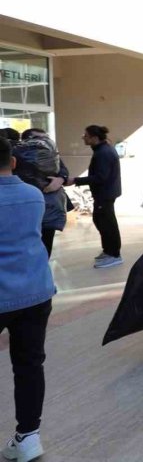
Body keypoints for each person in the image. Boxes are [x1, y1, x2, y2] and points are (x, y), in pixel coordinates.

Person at [0, 136, 55, 462]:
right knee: (30, 365)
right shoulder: (33, 195)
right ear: (14, 162)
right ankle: (28, 437)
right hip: (35, 292)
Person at [72, 125, 122, 269]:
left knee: (106, 223)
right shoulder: (102, 150)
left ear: (94, 138)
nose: (83, 137)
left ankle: (114, 254)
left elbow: (101, 177)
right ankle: (109, 250)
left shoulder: (103, 153)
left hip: (105, 193)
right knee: (101, 220)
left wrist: (76, 180)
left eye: (86, 135)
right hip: (105, 193)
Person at [15, 129, 70, 256]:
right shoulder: (17, 154)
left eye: (46, 138)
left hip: (49, 205)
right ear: (27, 140)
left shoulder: (50, 154)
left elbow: (63, 169)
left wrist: (61, 179)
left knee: (46, 242)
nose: (45, 141)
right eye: (41, 138)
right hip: (26, 207)